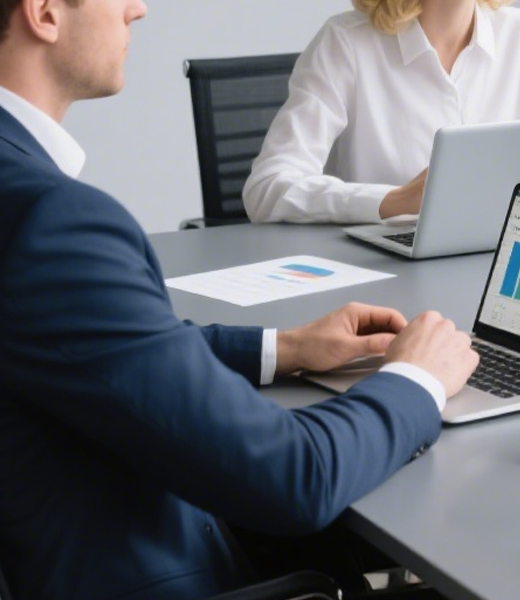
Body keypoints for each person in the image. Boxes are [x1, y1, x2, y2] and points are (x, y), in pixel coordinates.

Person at [0, 0, 481, 598]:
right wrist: (417, 379)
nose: (137, 10)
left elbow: (90, 345)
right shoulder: (53, 220)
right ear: (44, 13)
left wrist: (284, 346)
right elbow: (294, 478)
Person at [243, 0, 520, 223]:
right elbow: (267, 188)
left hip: (497, 259)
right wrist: (394, 200)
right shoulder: (346, 42)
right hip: (383, 275)